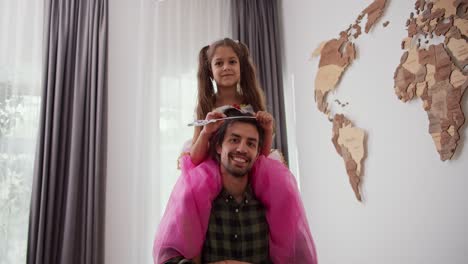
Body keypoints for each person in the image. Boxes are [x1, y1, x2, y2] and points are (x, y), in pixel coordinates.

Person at [153, 39, 317, 263]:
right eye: (219, 63)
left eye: (232, 62)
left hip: (248, 166)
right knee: (192, 197)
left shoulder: (250, 101)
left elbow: (260, 151)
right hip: (213, 167)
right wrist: (207, 132)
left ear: (241, 67)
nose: (226, 67)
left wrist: (267, 130)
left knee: (283, 189)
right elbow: (196, 157)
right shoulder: (206, 103)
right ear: (210, 71)